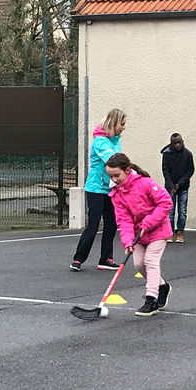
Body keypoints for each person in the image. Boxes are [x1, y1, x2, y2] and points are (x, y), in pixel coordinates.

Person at [106, 153, 173, 317]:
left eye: (117, 175)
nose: (114, 179)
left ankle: (151, 299)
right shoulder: (116, 193)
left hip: (158, 230)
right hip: (138, 235)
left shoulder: (145, 183)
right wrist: (128, 241)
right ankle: (162, 286)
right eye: (111, 176)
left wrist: (149, 222)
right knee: (138, 264)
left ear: (128, 170)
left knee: (150, 260)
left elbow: (166, 203)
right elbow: (123, 219)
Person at [70, 108, 126, 272]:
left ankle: (105, 258)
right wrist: (133, 170)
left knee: (111, 223)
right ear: (115, 123)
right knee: (93, 224)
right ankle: (78, 259)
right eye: (122, 124)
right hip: (95, 188)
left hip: (110, 188)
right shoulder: (99, 141)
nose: (124, 127)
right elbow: (113, 161)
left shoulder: (116, 140)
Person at [161, 133, 195, 243]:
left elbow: (190, 170)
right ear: (171, 143)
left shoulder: (188, 154)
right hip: (170, 187)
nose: (178, 145)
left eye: (180, 142)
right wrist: (171, 185)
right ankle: (169, 232)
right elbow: (165, 170)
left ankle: (180, 232)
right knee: (170, 211)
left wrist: (180, 183)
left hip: (183, 186)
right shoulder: (167, 154)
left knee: (182, 211)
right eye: (175, 143)